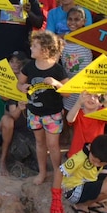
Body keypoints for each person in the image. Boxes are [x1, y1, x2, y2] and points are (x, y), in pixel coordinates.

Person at [17, 30, 68, 185]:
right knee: (40, 143)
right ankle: (42, 172)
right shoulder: (29, 66)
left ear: (45, 50)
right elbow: (19, 83)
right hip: (34, 113)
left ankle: (57, 174)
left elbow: (67, 92)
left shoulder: (57, 69)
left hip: (53, 114)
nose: (31, 48)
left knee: (53, 145)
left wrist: (56, 83)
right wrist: (23, 87)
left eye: (34, 46)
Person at [50, 135, 107, 213]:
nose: (96, 164)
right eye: (94, 160)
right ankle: (82, 205)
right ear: (89, 148)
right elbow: (59, 172)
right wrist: (56, 199)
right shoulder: (79, 159)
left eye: (100, 163)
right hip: (73, 189)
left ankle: (90, 202)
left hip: (87, 180)